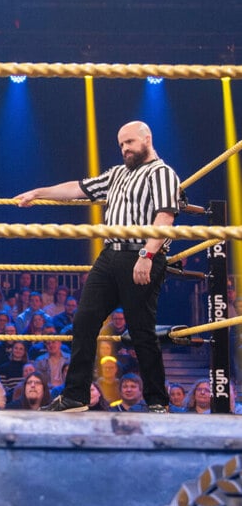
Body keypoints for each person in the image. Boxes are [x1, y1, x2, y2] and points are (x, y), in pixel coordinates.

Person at [16, 121, 179, 413]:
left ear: (147, 138)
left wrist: (147, 254)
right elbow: (77, 189)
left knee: (141, 331)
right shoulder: (117, 174)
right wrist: (38, 192)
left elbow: (165, 218)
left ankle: (157, 401)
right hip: (109, 255)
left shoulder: (163, 173)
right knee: (84, 320)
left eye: (129, 142)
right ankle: (75, 395)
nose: (125, 149)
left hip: (140, 254)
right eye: (121, 145)